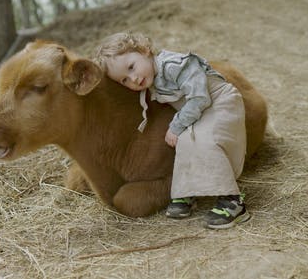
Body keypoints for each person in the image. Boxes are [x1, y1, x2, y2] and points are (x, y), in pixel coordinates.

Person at [94, 32, 250, 229]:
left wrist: (175, 126)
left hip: (219, 101)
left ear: (144, 50)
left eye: (131, 67)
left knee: (204, 140)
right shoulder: (149, 80)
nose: (133, 79)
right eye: (124, 80)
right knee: (184, 142)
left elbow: (200, 97)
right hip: (199, 111)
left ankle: (233, 201)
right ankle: (186, 193)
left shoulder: (174, 65)